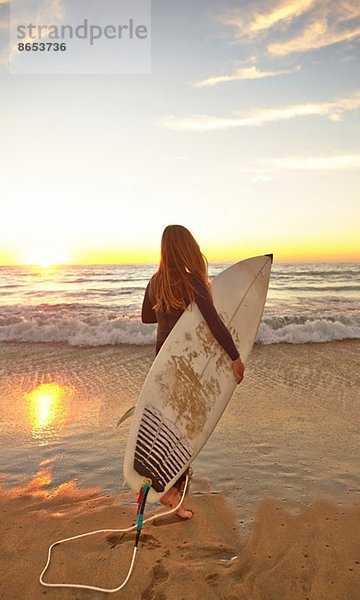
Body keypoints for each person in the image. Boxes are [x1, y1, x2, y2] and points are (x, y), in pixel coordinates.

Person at [141, 224, 245, 519]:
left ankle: (171, 489)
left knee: (171, 425)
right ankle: (173, 494)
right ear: (188, 248)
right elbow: (213, 322)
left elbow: (147, 317)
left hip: (161, 363)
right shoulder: (191, 282)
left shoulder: (155, 281)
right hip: (187, 365)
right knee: (186, 428)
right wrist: (235, 356)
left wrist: (168, 308)